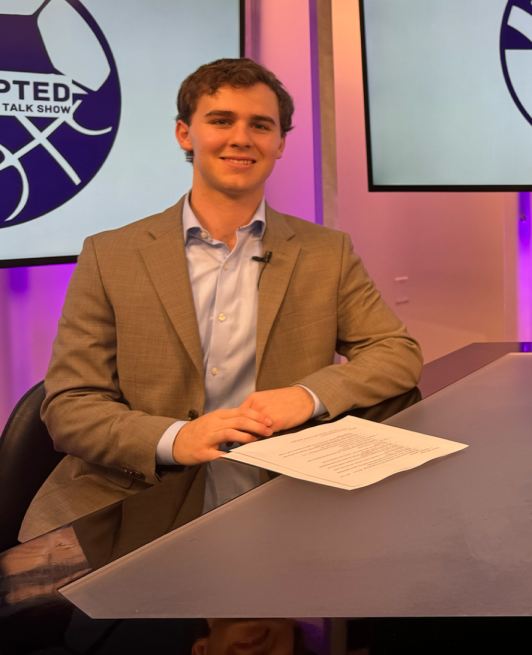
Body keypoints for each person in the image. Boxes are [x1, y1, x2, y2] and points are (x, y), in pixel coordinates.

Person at [20, 58, 422, 542]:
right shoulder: (110, 255)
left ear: (280, 143)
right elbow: (70, 405)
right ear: (185, 134)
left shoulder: (326, 252)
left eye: (260, 125)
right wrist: (175, 438)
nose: (241, 137)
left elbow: (396, 353)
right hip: (135, 499)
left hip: (285, 492)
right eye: (221, 120)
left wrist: (307, 396)